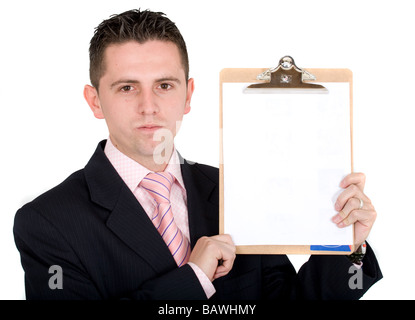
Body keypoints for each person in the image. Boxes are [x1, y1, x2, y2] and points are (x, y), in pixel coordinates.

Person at [13, 9, 382, 300]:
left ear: (188, 95)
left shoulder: (237, 190)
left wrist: (348, 247)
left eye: (164, 85)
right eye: (127, 87)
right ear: (95, 101)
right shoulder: (47, 222)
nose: (149, 106)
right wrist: (194, 279)